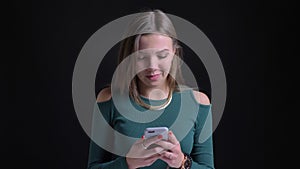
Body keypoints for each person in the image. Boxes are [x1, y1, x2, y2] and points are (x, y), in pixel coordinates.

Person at [87, 9, 215, 169]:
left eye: (162, 56)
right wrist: (127, 163)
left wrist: (181, 162)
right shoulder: (109, 100)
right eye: (142, 57)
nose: (152, 67)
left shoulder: (198, 103)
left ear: (175, 53)